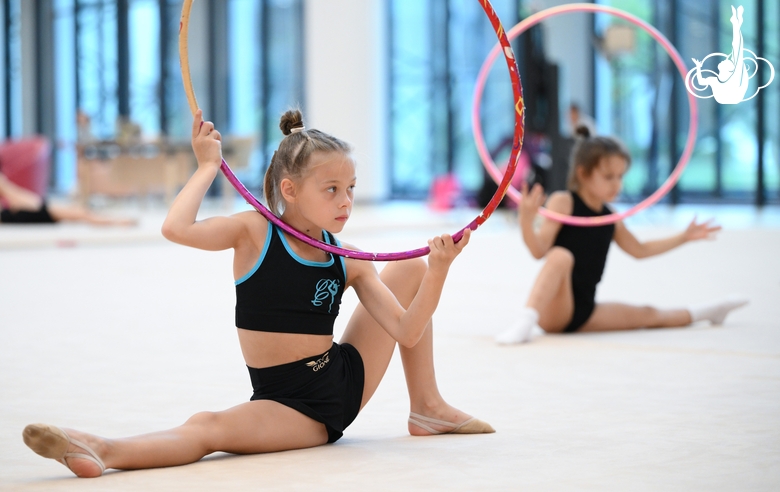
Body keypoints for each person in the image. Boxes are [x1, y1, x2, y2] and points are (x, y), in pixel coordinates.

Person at [22, 109, 492, 478]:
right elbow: (175, 228)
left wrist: (438, 271)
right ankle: (101, 449)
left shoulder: (347, 257)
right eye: (331, 189)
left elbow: (408, 332)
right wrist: (208, 165)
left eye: (350, 188)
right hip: (287, 402)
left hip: (337, 389)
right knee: (207, 426)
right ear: (289, 189)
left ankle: (427, 408)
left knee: (409, 267)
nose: (346, 202)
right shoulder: (253, 232)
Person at [495, 125, 748, 345]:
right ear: (583, 174)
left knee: (649, 314)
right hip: (554, 311)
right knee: (561, 256)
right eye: (608, 177)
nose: (617, 184)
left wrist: (683, 237)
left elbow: (640, 250)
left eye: (620, 177)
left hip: (586, 310)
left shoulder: (610, 217)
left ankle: (710, 312)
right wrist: (527, 222)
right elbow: (540, 251)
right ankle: (526, 321)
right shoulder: (563, 203)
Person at [0, 171, 136, 226]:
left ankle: (115, 221)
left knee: (81, 212)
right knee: (82, 213)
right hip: (29, 209)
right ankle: (116, 221)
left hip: (28, 208)